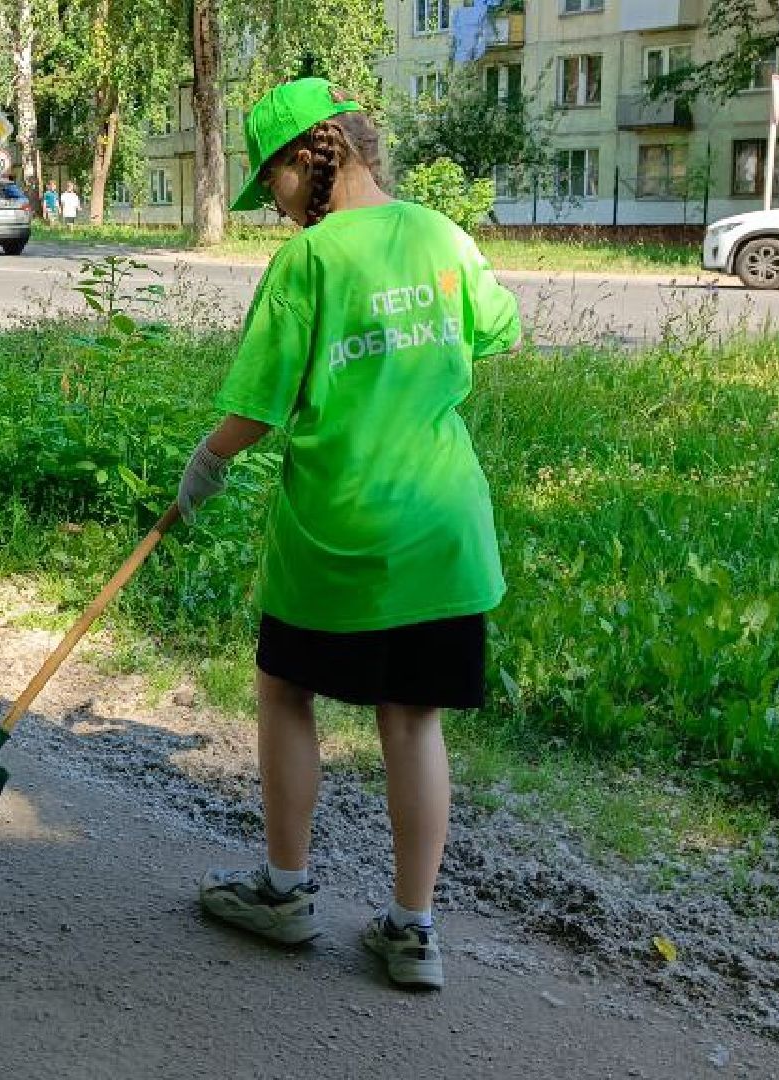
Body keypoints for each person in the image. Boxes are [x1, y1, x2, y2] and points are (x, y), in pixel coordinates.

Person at [177, 77, 521, 992]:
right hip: (442, 533)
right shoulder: (445, 237)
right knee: (412, 720)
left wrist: (204, 468)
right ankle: (414, 931)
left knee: (285, 688)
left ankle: (284, 893)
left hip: (339, 532)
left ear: (305, 161)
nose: (274, 208)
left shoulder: (311, 261)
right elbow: (495, 331)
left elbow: (255, 404)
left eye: (272, 187)